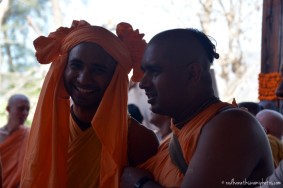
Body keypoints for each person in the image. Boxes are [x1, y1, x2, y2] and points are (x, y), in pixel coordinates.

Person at [120, 28, 274, 187]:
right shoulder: (176, 136)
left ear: (193, 74)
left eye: (155, 71)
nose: (144, 84)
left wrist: (140, 183)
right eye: (145, 72)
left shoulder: (232, 125)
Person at [20, 20, 159, 188]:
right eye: (76, 66)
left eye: (98, 70)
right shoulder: (47, 129)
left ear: (115, 77)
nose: (84, 78)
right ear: (64, 68)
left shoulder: (138, 139)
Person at [0, 94, 30, 188]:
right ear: (8, 109)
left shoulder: (29, 134)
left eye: (27, 109)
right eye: (21, 108)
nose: (25, 113)